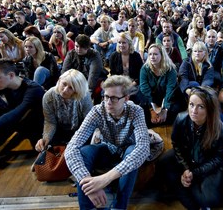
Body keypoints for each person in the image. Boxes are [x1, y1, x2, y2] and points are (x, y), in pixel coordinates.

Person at [65, 75, 150, 210]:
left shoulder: (135, 111)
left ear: (126, 99)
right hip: (108, 148)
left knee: (133, 152)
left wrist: (105, 179)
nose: (108, 102)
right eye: (106, 96)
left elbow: (143, 148)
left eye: (114, 98)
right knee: (83, 152)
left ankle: (118, 207)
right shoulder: (97, 111)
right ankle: (88, 208)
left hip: (128, 149)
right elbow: (71, 147)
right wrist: (90, 185)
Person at [158, 86, 223, 209]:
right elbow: (177, 144)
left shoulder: (221, 131)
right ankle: (184, 184)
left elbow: (219, 160)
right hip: (188, 157)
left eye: (200, 106)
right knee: (163, 163)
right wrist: (185, 168)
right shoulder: (181, 119)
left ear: (210, 109)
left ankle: (185, 186)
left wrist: (194, 173)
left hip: (208, 164)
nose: (193, 111)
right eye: (191, 104)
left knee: (209, 200)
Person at [35, 69, 93, 152]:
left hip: (81, 129)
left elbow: (89, 122)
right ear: (59, 80)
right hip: (60, 129)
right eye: (64, 84)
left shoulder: (84, 96)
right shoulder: (48, 96)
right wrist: (45, 139)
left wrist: (75, 141)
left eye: (71, 88)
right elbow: (50, 122)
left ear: (77, 90)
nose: (65, 90)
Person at [140, 43, 181, 127]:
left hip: (168, 97)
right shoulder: (145, 68)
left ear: (162, 55)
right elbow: (144, 88)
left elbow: (170, 90)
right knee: (143, 112)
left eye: (155, 54)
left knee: (173, 113)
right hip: (151, 98)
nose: (152, 57)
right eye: (150, 54)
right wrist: (152, 109)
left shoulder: (170, 69)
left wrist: (165, 109)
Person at [62, 34, 107, 103]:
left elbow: (93, 75)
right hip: (76, 78)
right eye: (77, 46)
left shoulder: (95, 55)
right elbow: (64, 72)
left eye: (82, 47)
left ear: (88, 47)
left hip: (93, 78)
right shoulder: (71, 53)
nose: (78, 49)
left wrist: (87, 96)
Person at [109, 32, 144, 102]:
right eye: (119, 42)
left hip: (133, 83)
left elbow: (140, 75)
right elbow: (113, 74)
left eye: (124, 42)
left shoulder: (136, 56)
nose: (121, 45)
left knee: (135, 95)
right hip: (119, 83)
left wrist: (130, 85)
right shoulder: (113, 56)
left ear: (129, 44)